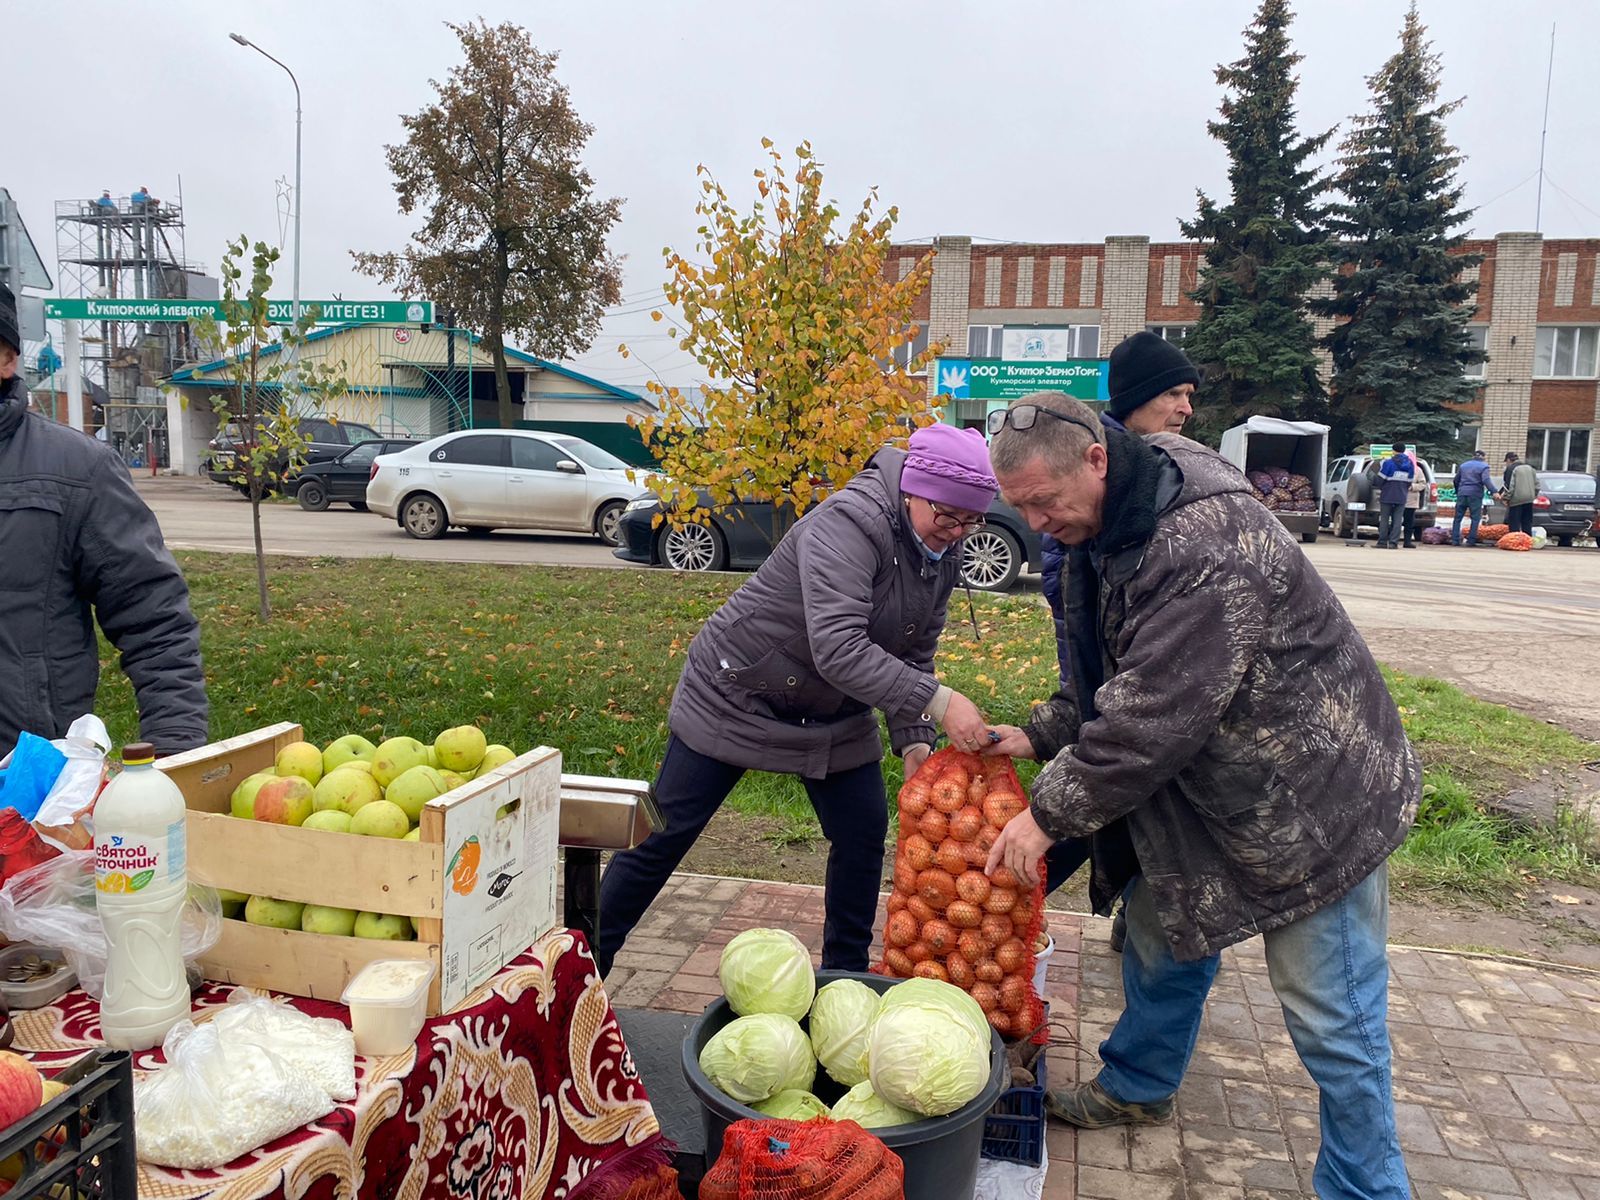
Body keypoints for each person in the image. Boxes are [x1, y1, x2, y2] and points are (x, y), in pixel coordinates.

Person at [981, 391, 1418, 1199]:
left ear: (1097, 459)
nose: (1037, 523)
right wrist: (1044, 733)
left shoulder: (1200, 537)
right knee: (1161, 933)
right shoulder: (1107, 520)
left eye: (1043, 503)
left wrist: (1048, 815)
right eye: (1020, 509)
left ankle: (1366, 1188)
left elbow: (1155, 712)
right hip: (1207, 788)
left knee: (1334, 1017)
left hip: (1309, 800)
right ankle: (1139, 1087)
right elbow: (1119, 666)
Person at [595, 425, 997, 977]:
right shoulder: (847, 525)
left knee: (861, 832)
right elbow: (838, 648)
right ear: (911, 490)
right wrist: (942, 703)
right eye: (947, 516)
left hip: (834, 707)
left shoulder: (940, 552)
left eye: (971, 521)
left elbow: (914, 650)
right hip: (737, 690)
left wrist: (915, 741)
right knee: (666, 832)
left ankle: (844, 978)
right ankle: (582, 966)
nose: (956, 532)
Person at [1037, 331, 1210, 953]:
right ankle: (1023, 890)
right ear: (1134, 400)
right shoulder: (1091, 465)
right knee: (1107, 754)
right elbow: (1065, 570)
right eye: (1173, 393)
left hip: (1145, 669)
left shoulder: (1174, 479)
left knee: (1117, 762)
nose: (1186, 407)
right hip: (1101, 647)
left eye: (1189, 393)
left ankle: (1119, 898)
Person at [0, 283, 208, 760]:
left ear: (8, 358)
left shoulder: (78, 471)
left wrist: (176, 759)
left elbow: (154, 620)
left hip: (29, 790)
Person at [1376, 442, 1414, 549]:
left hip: (1387, 494)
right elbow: (1409, 481)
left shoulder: (1388, 463)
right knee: (1397, 520)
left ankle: (1382, 542)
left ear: (1393, 451)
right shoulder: (1410, 463)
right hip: (1401, 495)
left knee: (1384, 519)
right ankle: (1393, 543)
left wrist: (1379, 486)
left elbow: (1381, 479)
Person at [1452, 450, 1493, 545]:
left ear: (1473, 456)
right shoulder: (1484, 466)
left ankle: (1455, 540)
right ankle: (1471, 541)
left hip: (1462, 493)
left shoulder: (1463, 465)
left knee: (1458, 518)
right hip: (1475, 494)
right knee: (1475, 518)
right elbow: (1486, 480)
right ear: (1483, 457)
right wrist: (1494, 491)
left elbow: (1456, 480)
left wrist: (1458, 491)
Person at [1501, 452, 1539, 535]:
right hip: (1529, 499)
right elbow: (1537, 485)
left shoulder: (1511, 469)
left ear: (1508, 460)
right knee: (1527, 522)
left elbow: (1509, 486)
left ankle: (1515, 541)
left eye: (1506, 462)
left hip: (1516, 500)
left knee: (1514, 523)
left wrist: (1506, 498)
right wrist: (1534, 495)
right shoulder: (1530, 468)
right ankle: (1527, 541)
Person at [1402, 454, 1426, 548]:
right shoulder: (1397, 468)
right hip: (1398, 499)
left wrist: (1412, 486)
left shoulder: (1418, 470)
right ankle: (1392, 540)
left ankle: (1407, 541)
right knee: (1395, 521)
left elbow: (1423, 484)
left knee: (1409, 522)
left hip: (1411, 500)